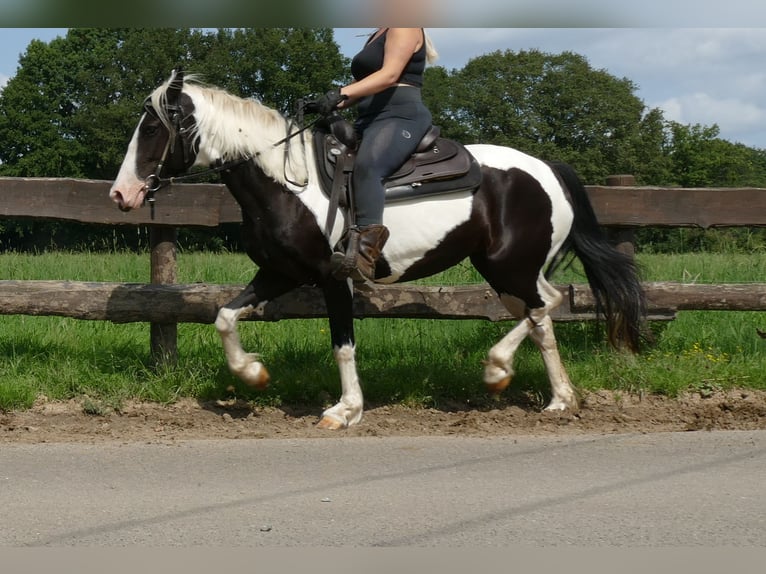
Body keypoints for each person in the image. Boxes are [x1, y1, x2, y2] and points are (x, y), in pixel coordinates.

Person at [310, 28, 438, 281]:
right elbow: (366, 88)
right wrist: (330, 101)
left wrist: (341, 93)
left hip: (400, 114)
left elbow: (389, 75)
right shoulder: (378, 32)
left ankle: (364, 256)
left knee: (369, 166)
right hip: (369, 117)